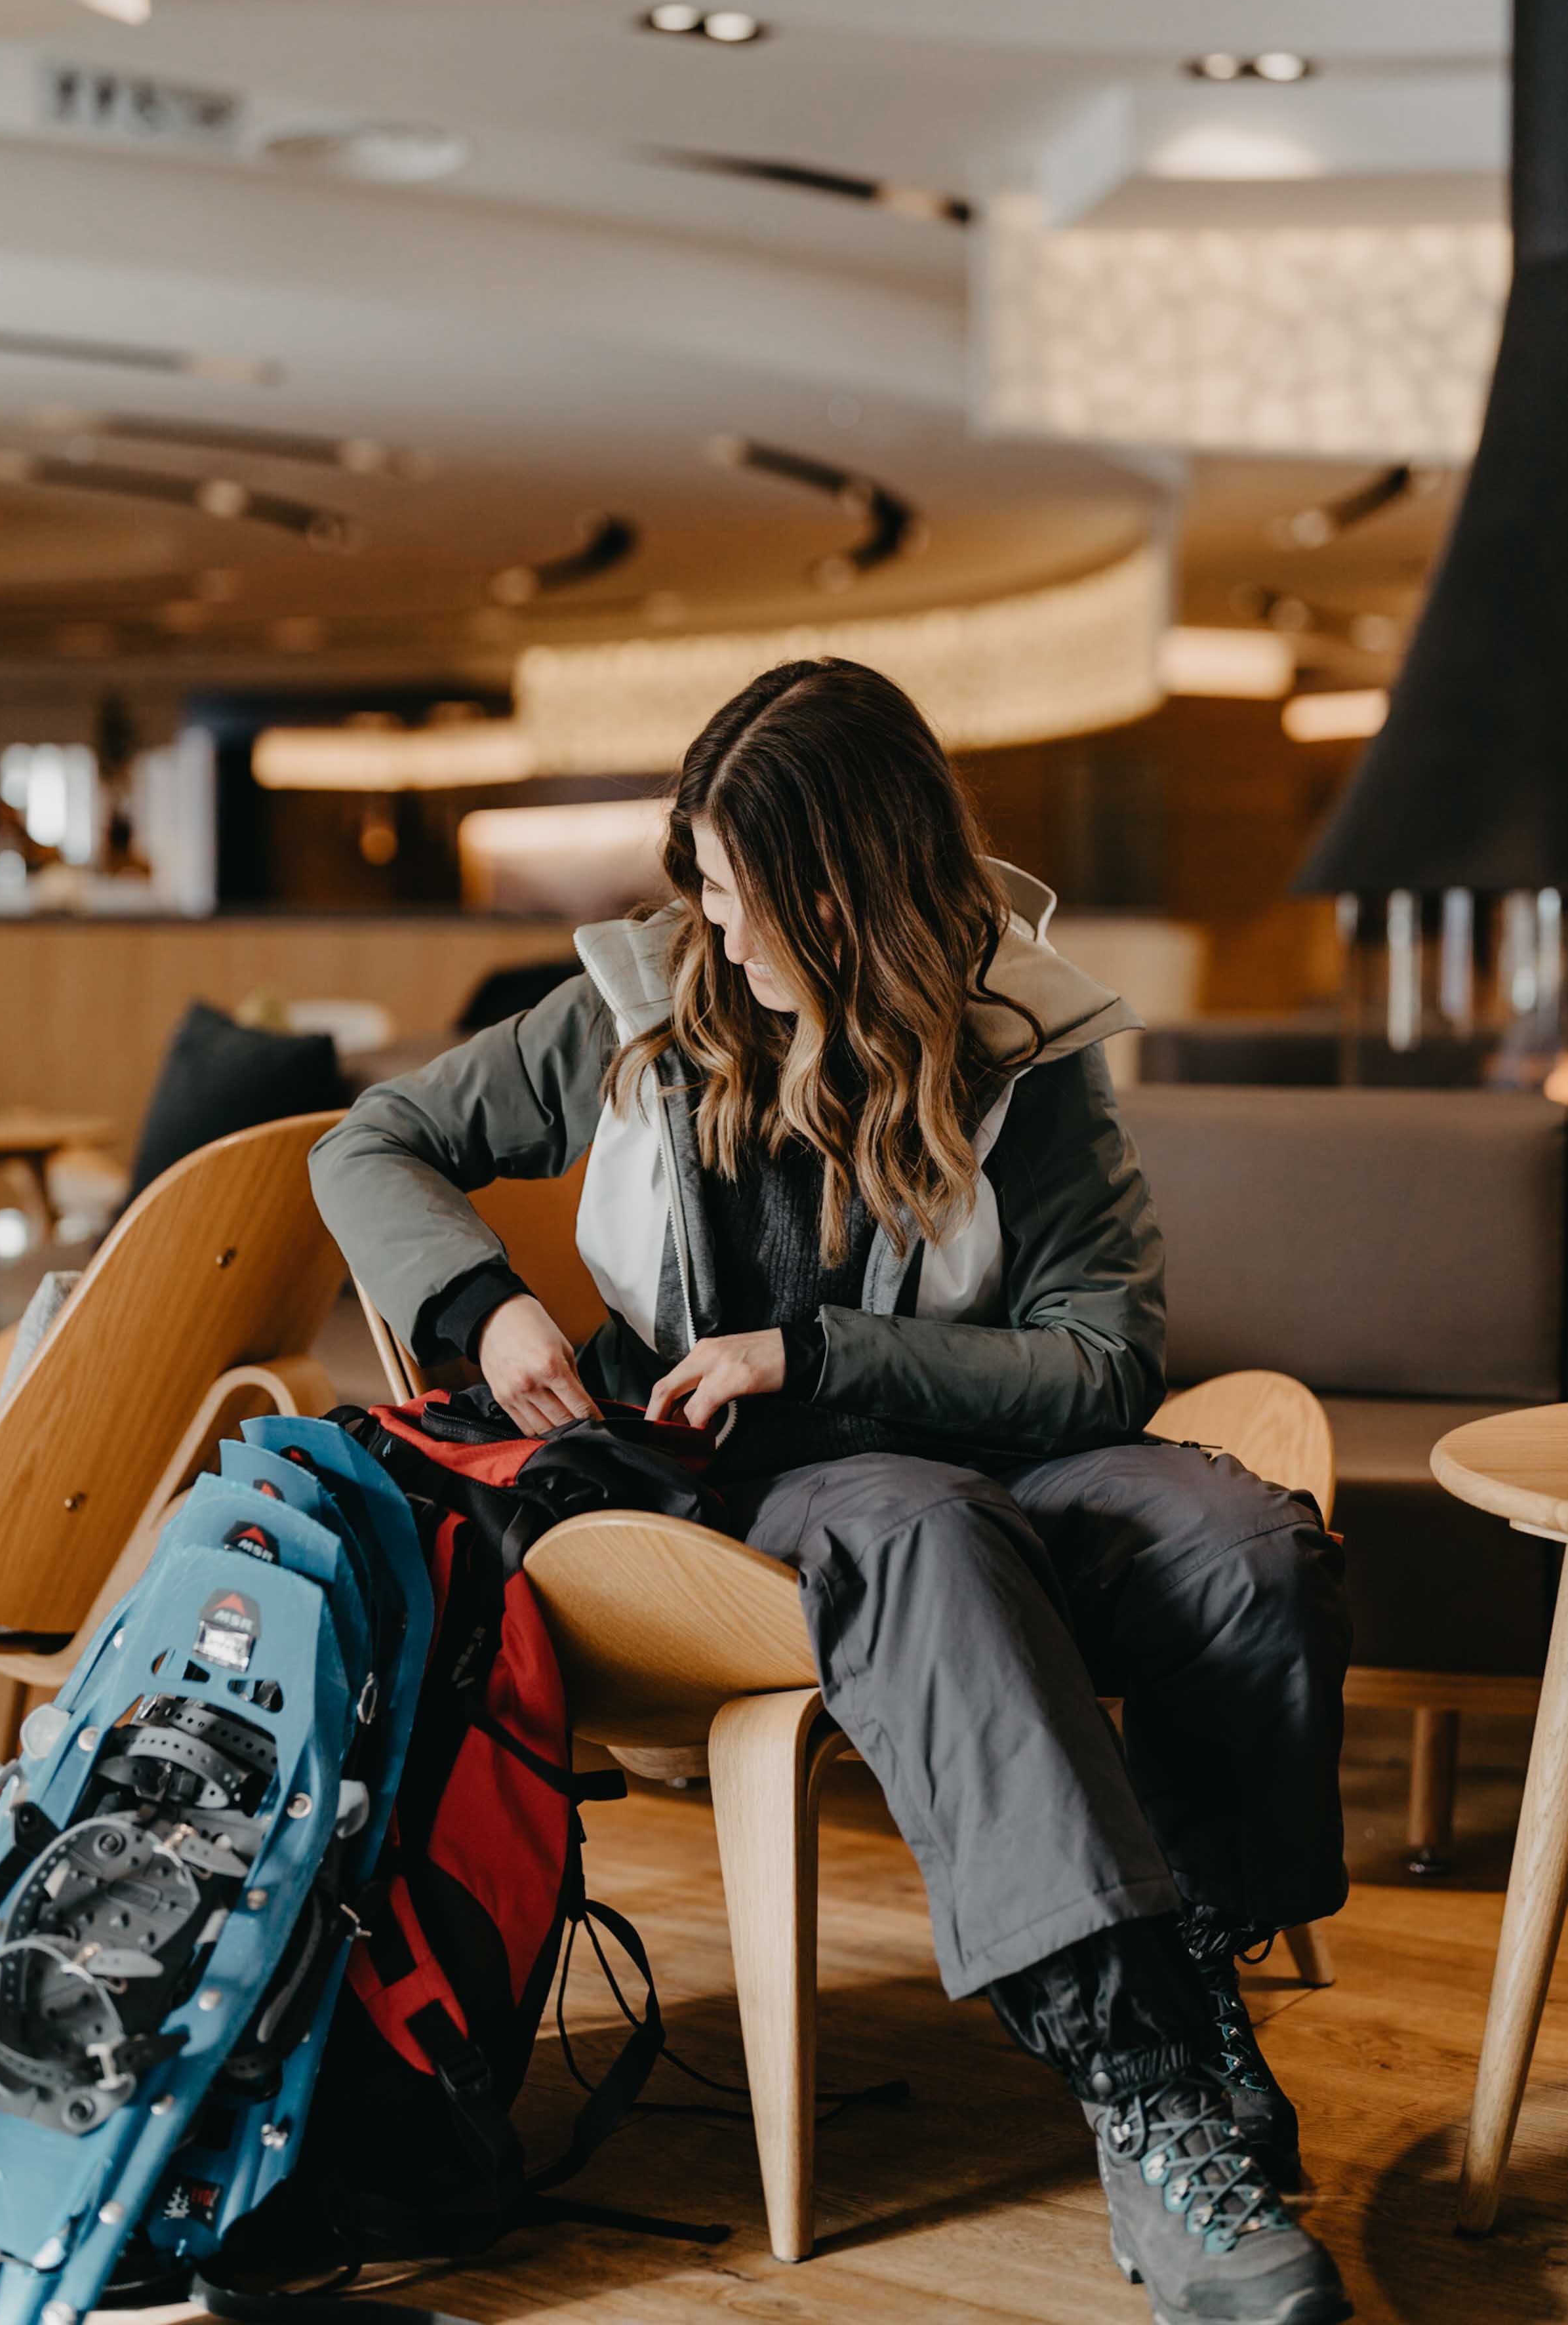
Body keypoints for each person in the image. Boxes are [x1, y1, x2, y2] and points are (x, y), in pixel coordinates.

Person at [310, 658, 1352, 2325]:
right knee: (922, 1531)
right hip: (732, 1504)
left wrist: (821, 1354)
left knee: (1243, 1548)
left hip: (994, 1441)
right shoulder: (636, 1007)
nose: (711, 928)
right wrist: (483, 1304)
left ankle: (1191, 1977)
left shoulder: (1026, 1044)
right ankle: (1148, 2101)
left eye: (739, 893)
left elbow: (1100, 1367)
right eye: (702, 888)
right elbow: (366, 1144)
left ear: (844, 888)